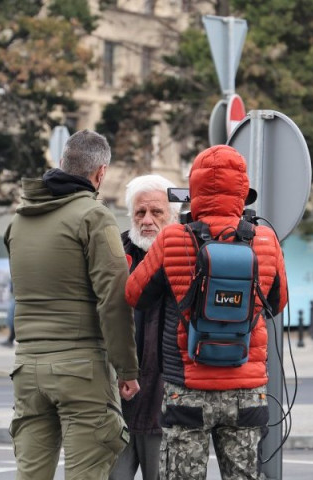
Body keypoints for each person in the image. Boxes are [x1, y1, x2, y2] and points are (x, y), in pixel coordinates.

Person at [125, 145, 288, 480]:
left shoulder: (173, 238)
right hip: (246, 389)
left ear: (194, 190)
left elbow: (134, 295)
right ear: (243, 190)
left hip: (187, 388)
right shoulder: (265, 240)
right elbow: (277, 303)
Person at [4, 130, 140, 479]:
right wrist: (127, 369)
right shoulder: (93, 216)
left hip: (27, 368)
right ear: (100, 173)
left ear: (63, 164)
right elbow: (114, 297)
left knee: (30, 474)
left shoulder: (19, 220)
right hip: (81, 368)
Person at [109, 175, 182, 480]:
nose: (147, 221)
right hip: (117, 405)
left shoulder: (186, 254)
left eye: (157, 212)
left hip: (165, 406)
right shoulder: (114, 253)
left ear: (173, 216)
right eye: (140, 213)